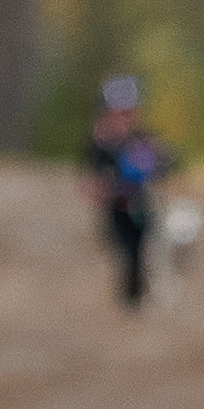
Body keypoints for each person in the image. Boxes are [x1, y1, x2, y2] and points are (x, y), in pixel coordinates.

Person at [84, 75, 165, 307]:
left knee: (138, 249)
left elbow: (161, 167)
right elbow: (96, 174)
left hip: (140, 204)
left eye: (129, 112)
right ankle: (130, 296)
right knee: (125, 249)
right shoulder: (103, 145)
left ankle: (135, 294)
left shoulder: (143, 141)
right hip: (117, 207)